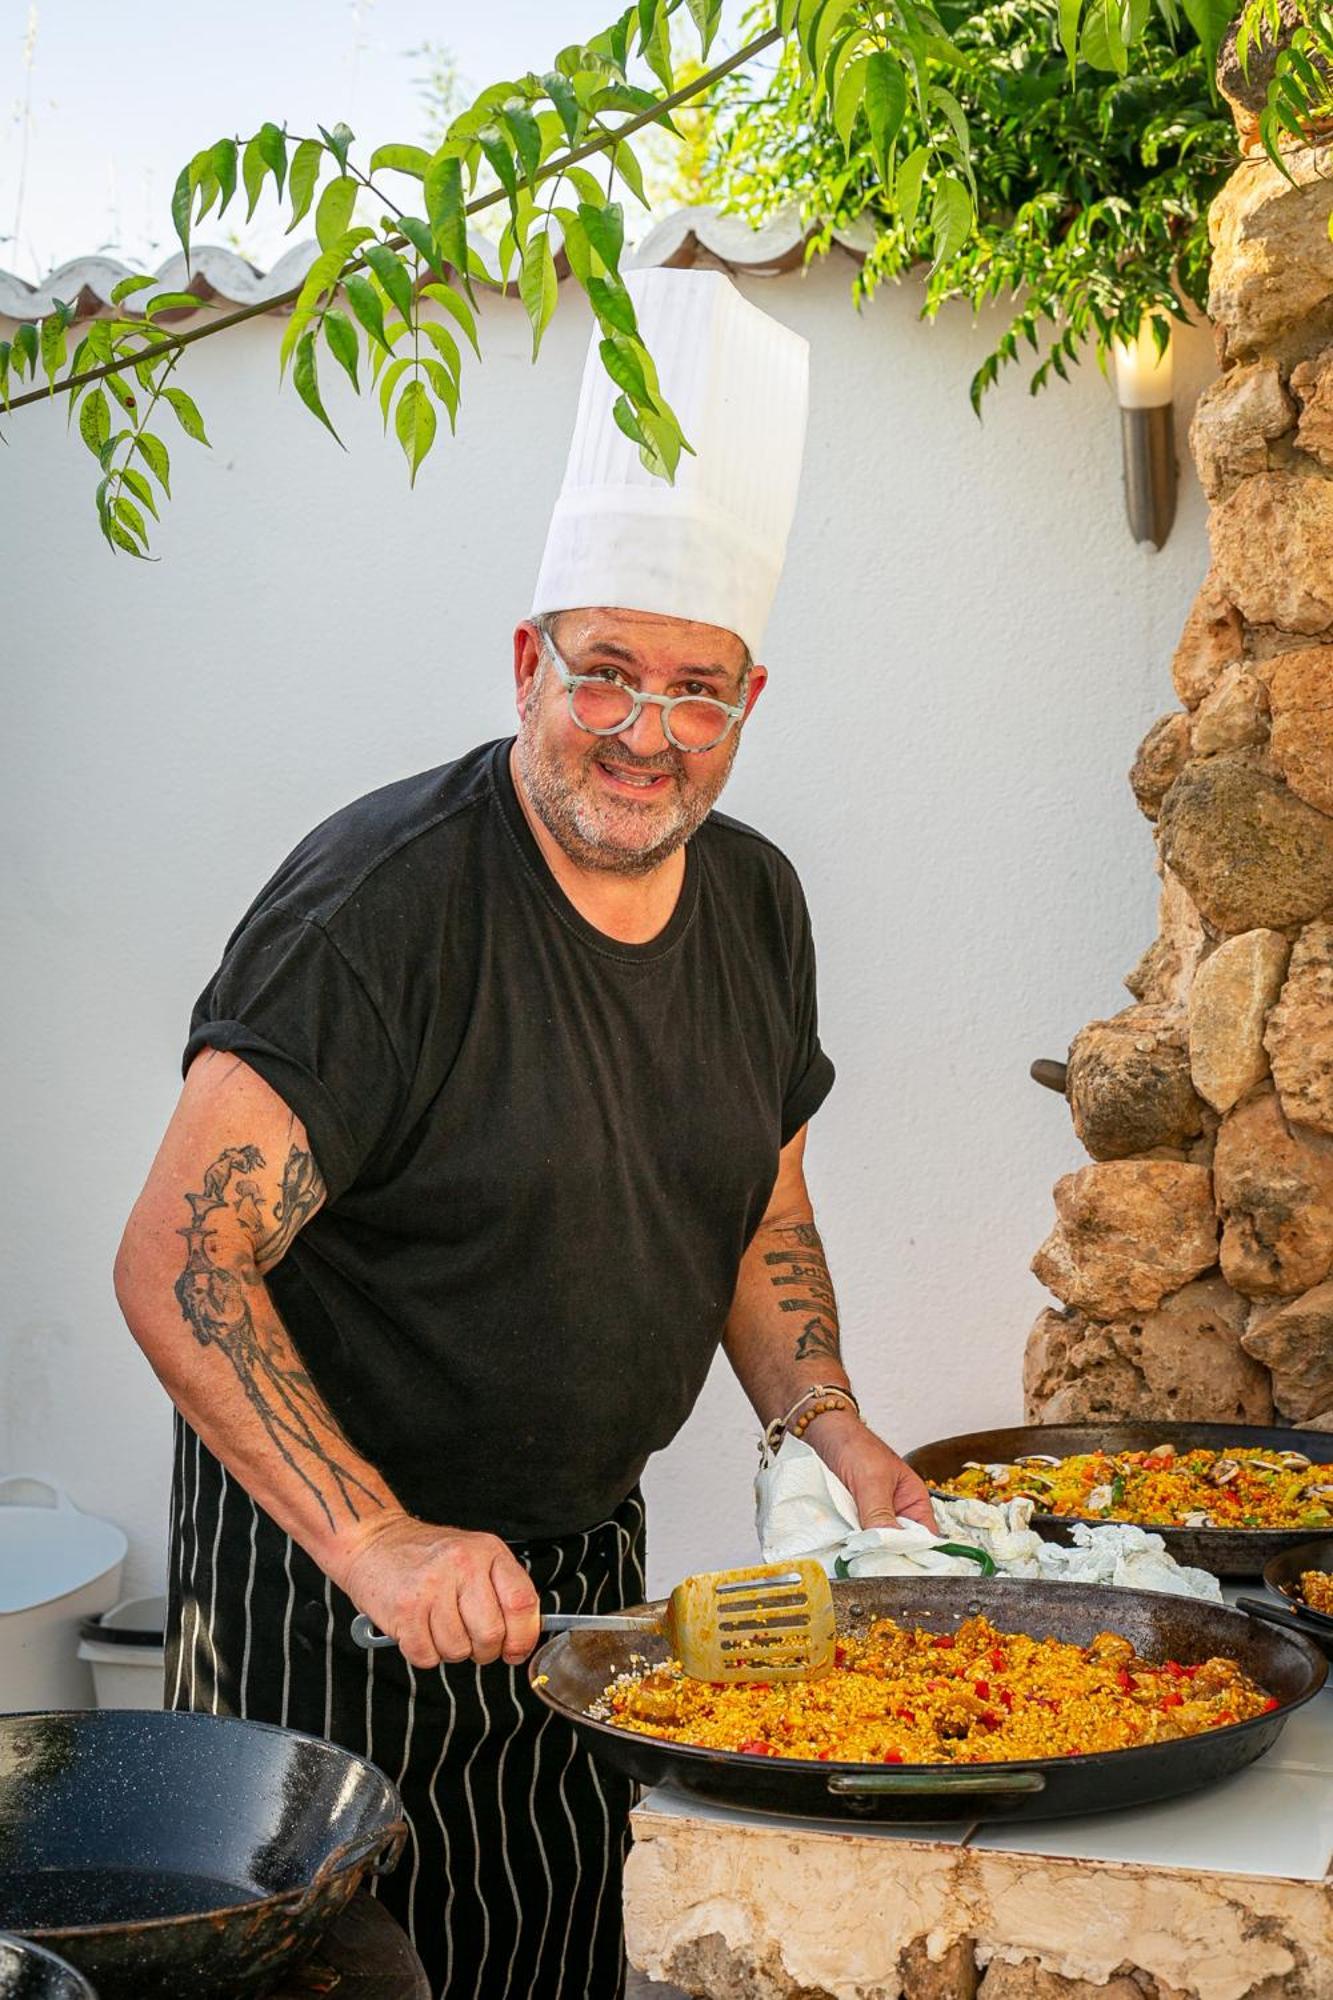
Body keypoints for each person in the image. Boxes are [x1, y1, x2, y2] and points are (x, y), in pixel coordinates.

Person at [114, 268, 935, 2000]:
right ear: (526, 663)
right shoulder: (381, 907)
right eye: (604, 674)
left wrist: (826, 1424)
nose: (644, 733)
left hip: (577, 1571)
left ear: (748, 700)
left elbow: (758, 1202)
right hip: (322, 1583)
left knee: (553, 1953)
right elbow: (179, 1260)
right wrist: (376, 1540)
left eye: (694, 690)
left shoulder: (756, 903)